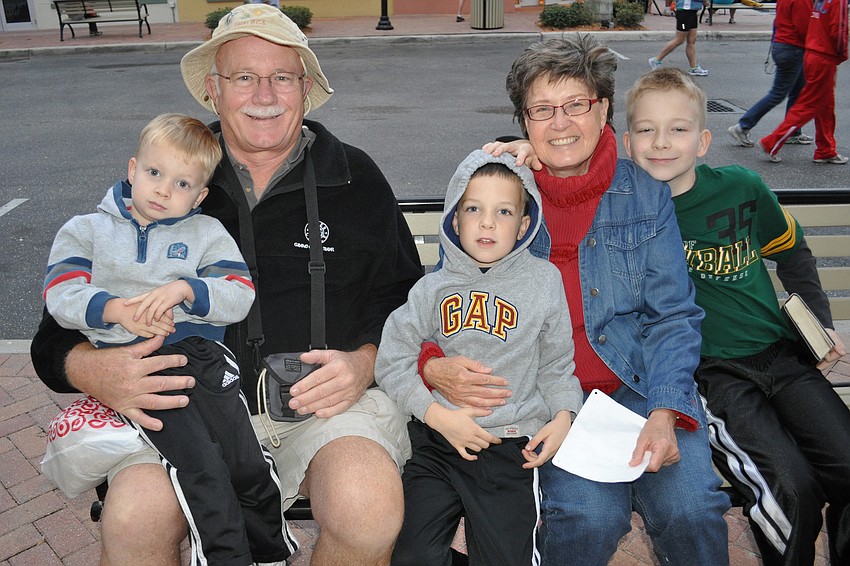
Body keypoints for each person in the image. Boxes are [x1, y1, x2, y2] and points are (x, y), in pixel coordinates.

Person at [30, 5, 423, 565]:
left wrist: (364, 361)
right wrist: (96, 371)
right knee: (135, 516)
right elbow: (55, 331)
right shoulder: (171, 180)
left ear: (304, 88)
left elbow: (407, 302)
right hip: (178, 409)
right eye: (243, 77)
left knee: (368, 509)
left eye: (281, 77)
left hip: (322, 412)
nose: (264, 95)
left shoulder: (354, 177)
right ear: (214, 90)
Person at [424, 35, 731, 566]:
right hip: (549, 400)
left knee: (692, 508)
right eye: (542, 110)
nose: (560, 123)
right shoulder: (501, 193)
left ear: (604, 108)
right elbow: (438, 297)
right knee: (586, 518)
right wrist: (434, 367)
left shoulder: (643, 192)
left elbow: (674, 315)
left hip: (637, 385)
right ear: (524, 122)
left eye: (576, 105)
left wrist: (666, 410)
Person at [42, 112, 296, 565]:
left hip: (201, 358)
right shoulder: (86, 230)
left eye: (181, 184)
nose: (163, 190)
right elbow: (62, 294)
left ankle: (270, 552)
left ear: (199, 196)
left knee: (245, 462)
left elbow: (238, 295)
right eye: (155, 173)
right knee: (202, 467)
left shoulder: (205, 234)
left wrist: (186, 290)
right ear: (133, 169)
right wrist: (116, 310)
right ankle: (226, 557)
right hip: (138, 368)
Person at [622, 66, 850, 566]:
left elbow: (792, 252)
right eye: (646, 129)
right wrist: (520, 149)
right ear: (627, 141)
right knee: (791, 487)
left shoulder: (741, 187)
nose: (662, 142)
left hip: (783, 358)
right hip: (710, 375)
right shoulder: (624, 212)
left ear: (703, 141)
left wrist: (818, 323)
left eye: (678, 129)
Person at [376, 150, 583, 565]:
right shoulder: (431, 289)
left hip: (511, 450)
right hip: (438, 441)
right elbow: (392, 360)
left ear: (525, 225)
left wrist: (564, 417)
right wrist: (435, 414)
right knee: (412, 555)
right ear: (455, 219)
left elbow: (557, 365)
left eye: (504, 211)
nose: (487, 222)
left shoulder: (544, 282)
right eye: (474, 208)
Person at [759, 0, 848, 164]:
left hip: (813, 51)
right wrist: (842, 54)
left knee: (825, 105)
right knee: (809, 105)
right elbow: (839, 31)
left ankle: (826, 149)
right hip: (824, 55)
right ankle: (772, 141)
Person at [727, 0, 813, 148]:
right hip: (793, 48)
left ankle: (793, 131)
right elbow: (804, 28)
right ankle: (742, 126)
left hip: (784, 45)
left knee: (797, 91)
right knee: (778, 94)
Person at [648, 0, 711, 76]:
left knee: (691, 40)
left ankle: (694, 68)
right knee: (679, 40)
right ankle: (656, 60)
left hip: (692, 11)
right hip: (685, 12)